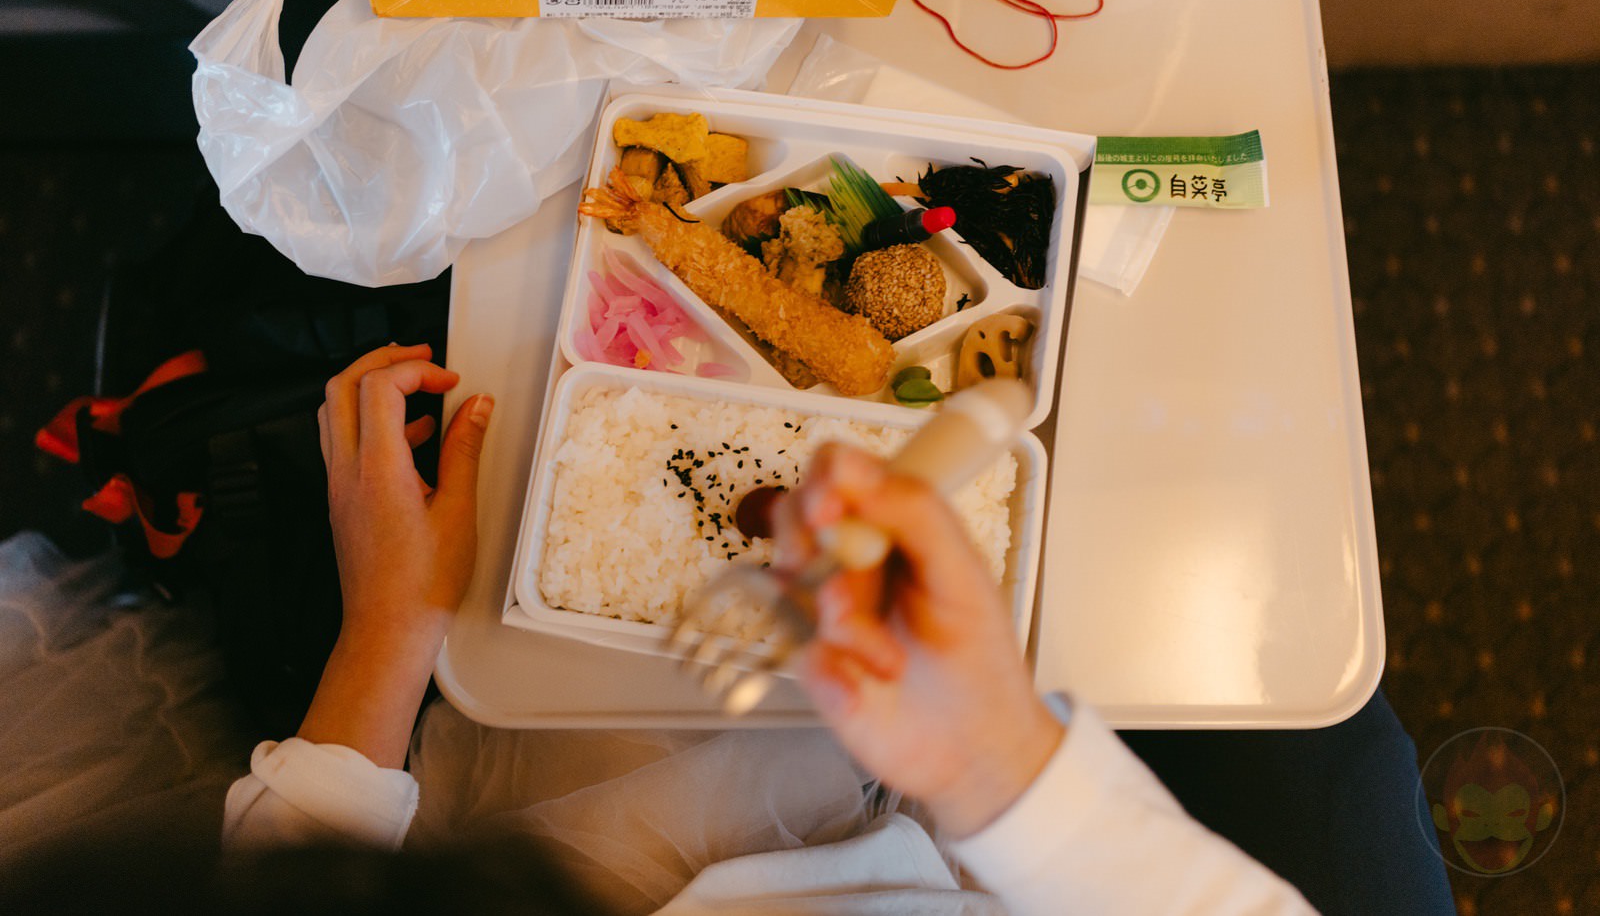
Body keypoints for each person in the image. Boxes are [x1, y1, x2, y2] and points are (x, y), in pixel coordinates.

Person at [220, 346, 1442, 913]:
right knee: (1325, 715)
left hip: (573, 819)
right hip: (958, 865)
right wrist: (994, 765)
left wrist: (384, 625)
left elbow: (274, 894)